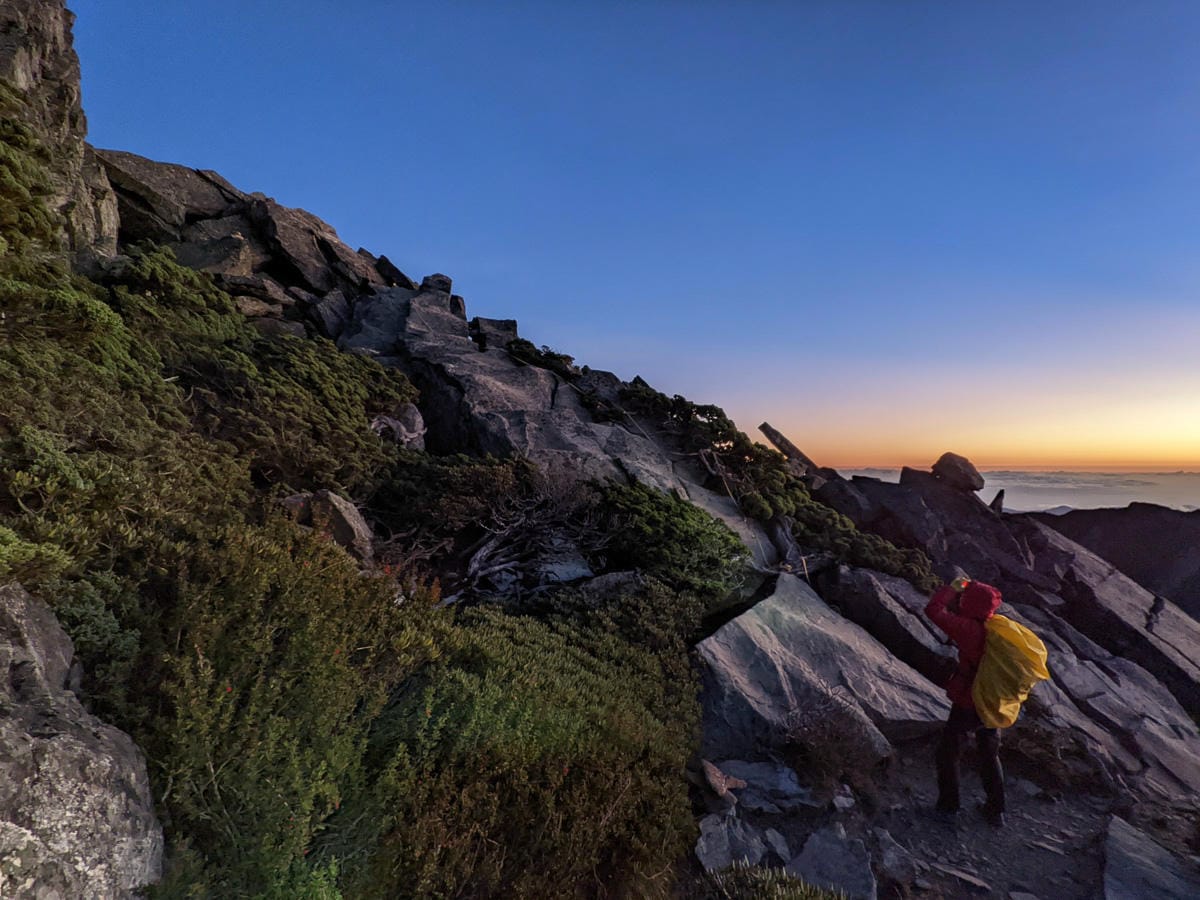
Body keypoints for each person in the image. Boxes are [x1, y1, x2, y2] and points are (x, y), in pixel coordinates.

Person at [925, 576, 1006, 827]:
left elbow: (933, 610)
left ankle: (948, 807)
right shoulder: (998, 627)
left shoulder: (968, 629)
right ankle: (996, 810)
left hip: (969, 702)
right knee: (989, 753)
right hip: (994, 701)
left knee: (948, 752)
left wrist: (952, 589)